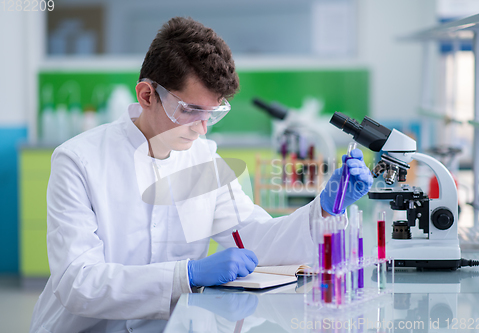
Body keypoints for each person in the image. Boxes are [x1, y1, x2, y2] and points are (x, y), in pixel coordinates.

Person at [29, 17, 373, 332]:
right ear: (147, 94)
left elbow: (253, 240)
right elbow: (78, 283)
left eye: (214, 113)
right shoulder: (78, 160)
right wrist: (186, 274)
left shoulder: (203, 161)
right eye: (191, 111)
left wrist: (326, 208)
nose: (202, 128)